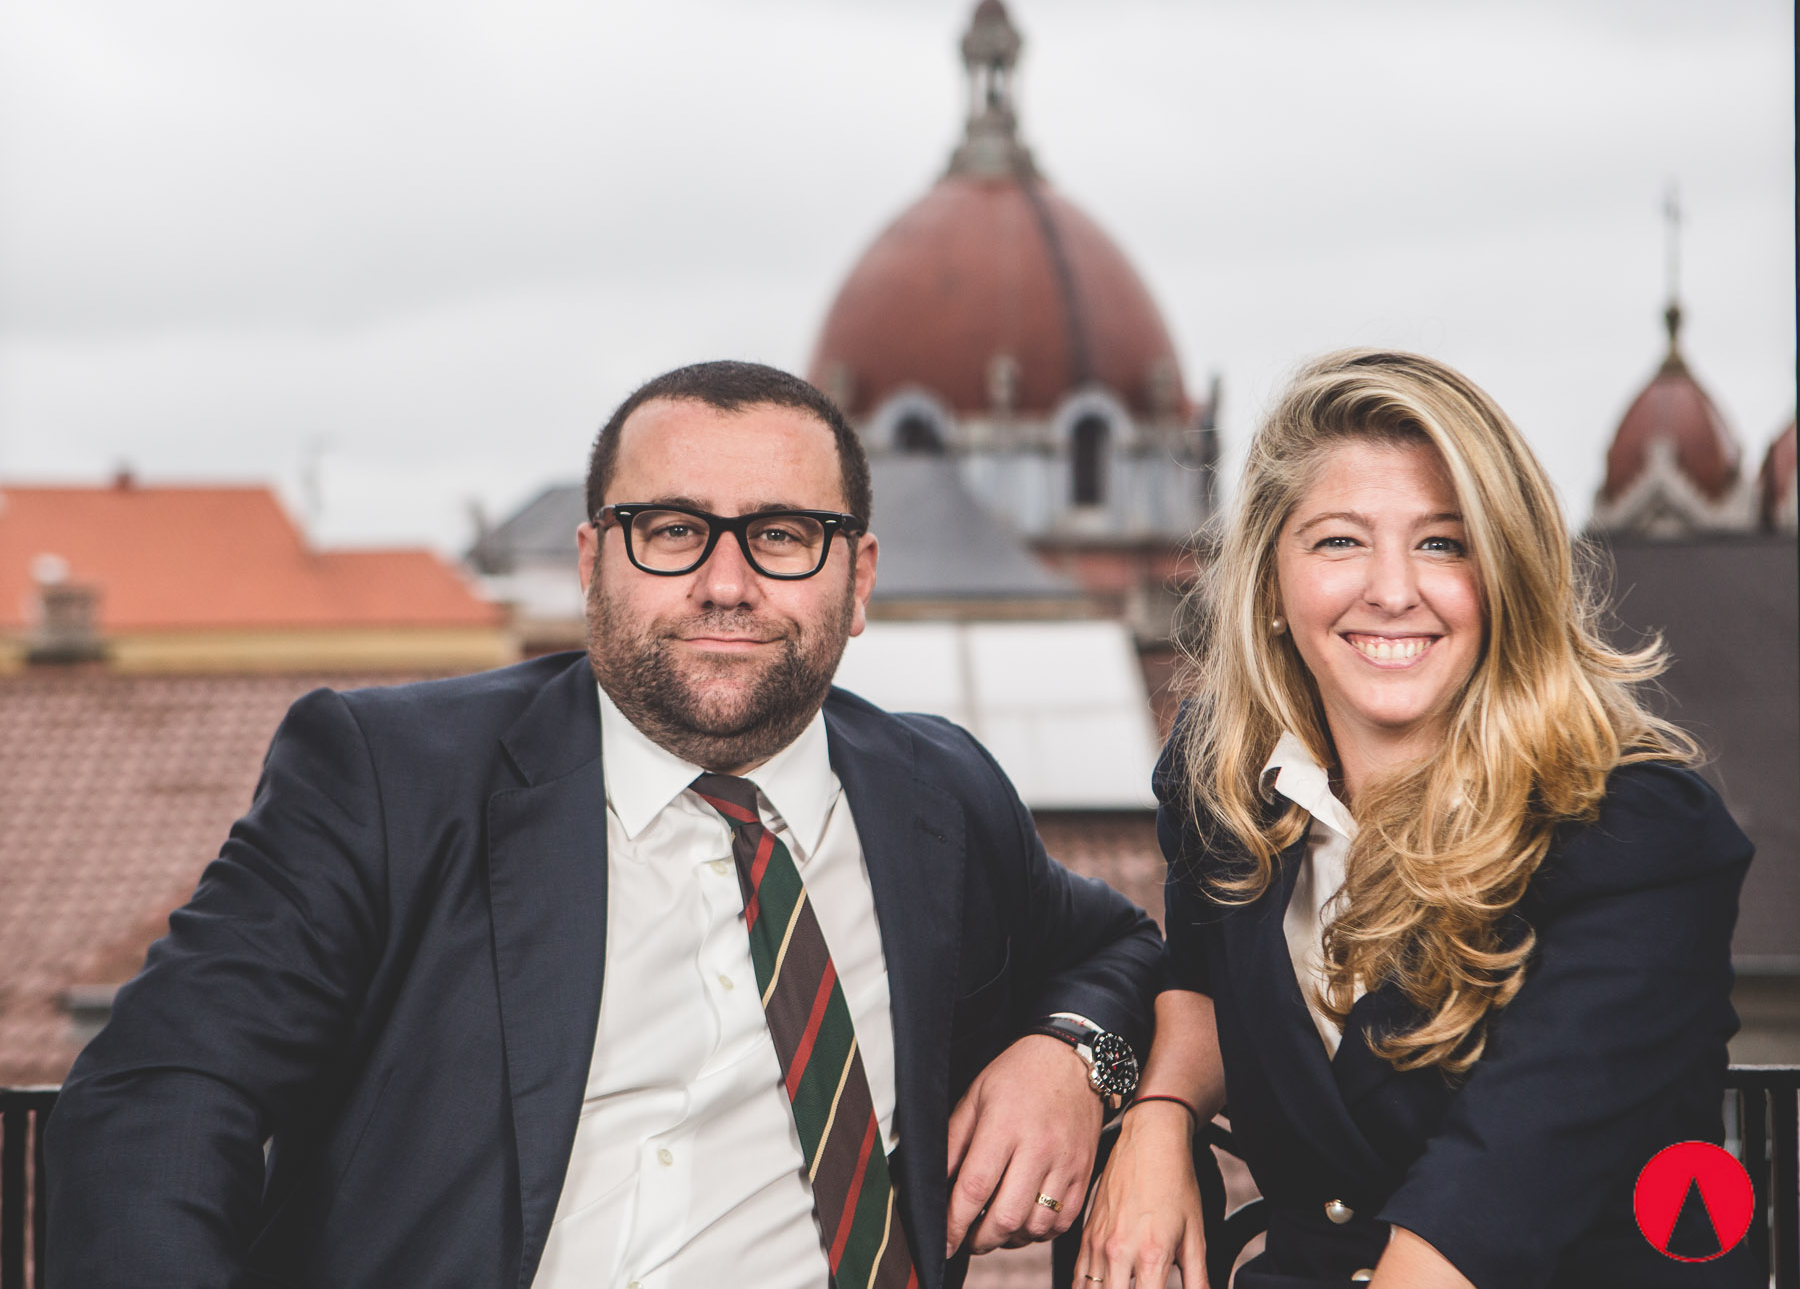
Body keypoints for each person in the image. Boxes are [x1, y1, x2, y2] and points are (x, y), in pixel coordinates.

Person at [45, 361, 1163, 1289]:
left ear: (858, 578)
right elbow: (160, 1093)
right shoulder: (392, 778)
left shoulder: (937, 793)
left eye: (783, 534)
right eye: (671, 530)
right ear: (592, 564)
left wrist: (1073, 1056)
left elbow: (1118, 950)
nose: (725, 582)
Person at [1077, 349, 1754, 1288]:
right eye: (1338, 542)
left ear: (1507, 576)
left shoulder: (1637, 832)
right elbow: (1200, 978)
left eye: (1442, 543)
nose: (1392, 590)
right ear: (1270, 586)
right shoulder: (1223, 775)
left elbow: (1479, 1220)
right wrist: (1158, 1119)